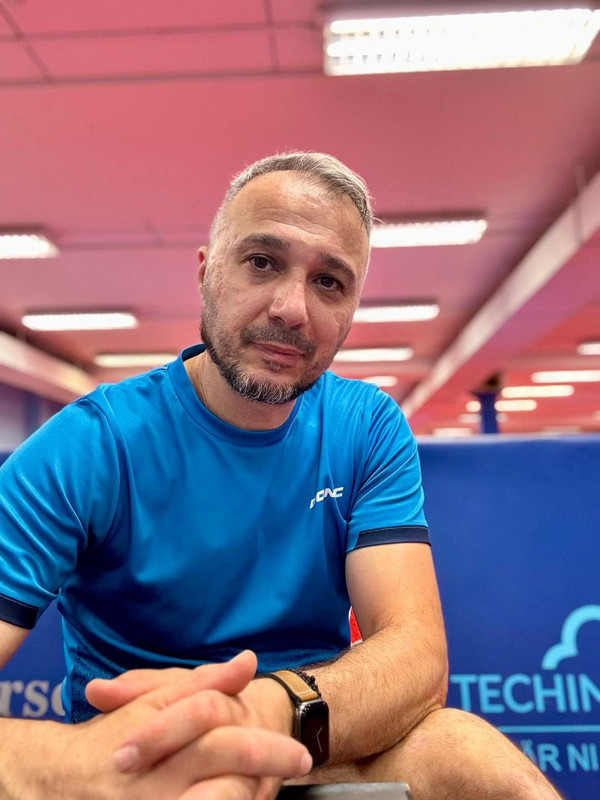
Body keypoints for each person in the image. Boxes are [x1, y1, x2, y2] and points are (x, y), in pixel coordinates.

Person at [0, 152, 561, 800]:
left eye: (329, 282)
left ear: (352, 309)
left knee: (483, 768)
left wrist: (262, 715)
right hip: (133, 765)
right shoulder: (90, 444)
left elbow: (416, 655)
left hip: (309, 740)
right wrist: (80, 763)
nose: (293, 308)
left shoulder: (366, 426)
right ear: (206, 271)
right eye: (262, 261)